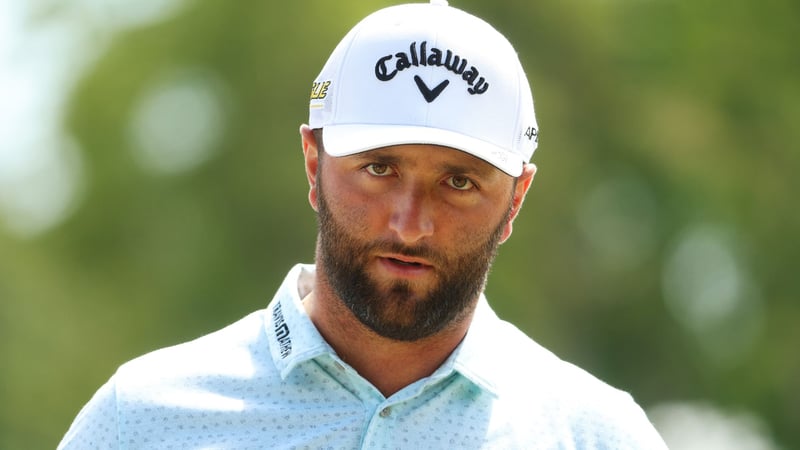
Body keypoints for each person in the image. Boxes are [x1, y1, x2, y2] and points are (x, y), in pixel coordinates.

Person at [58, 1, 668, 448]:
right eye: (379, 168)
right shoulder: (143, 419)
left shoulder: (595, 436)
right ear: (313, 161)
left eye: (459, 183)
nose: (410, 225)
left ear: (516, 198)